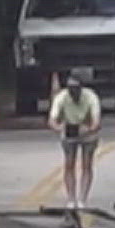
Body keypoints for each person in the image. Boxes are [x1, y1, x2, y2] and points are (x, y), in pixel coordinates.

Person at [47, 72, 102, 210]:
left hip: (87, 130)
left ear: (81, 88)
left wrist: (88, 129)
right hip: (69, 130)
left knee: (86, 164)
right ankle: (71, 198)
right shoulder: (61, 98)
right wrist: (60, 128)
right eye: (70, 88)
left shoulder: (91, 97)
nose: (73, 92)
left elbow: (96, 122)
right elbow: (52, 120)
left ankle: (82, 198)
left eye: (76, 89)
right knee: (69, 164)